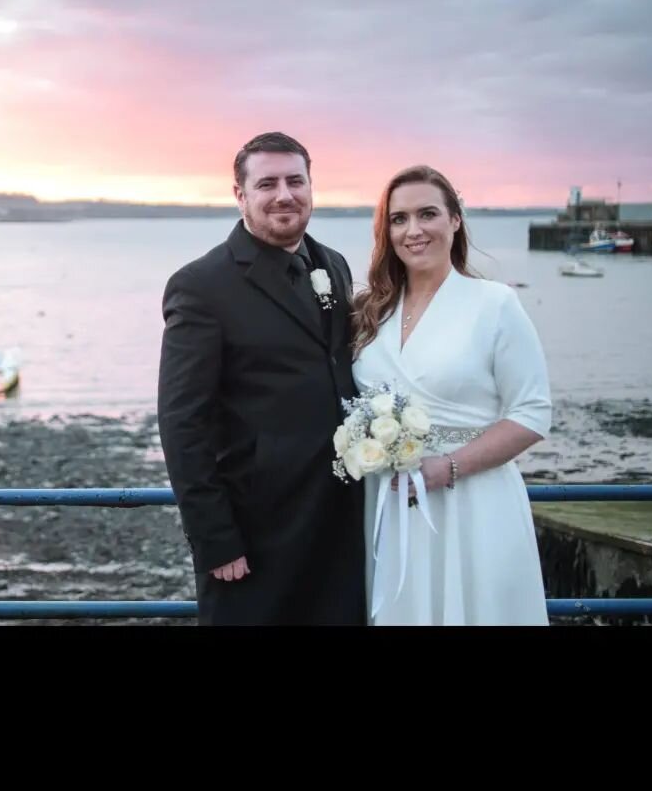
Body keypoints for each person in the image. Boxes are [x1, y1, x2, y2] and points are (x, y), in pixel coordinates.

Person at [157, 132, 365, 625]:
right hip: (254, 536)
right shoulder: (201, 285)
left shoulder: (333, 265)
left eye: (296, 180)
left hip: (340, 525)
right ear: (241, 195)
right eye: (267, 183)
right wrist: (215, 540)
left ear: (312, 186)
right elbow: (182, 423)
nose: (284, 194)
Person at [351, 164, 551, 626]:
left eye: (427, 214)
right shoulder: (370, 312)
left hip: (471, 502)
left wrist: (449, 467)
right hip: (388, 501)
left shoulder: (494, 304)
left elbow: (532, 413)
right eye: (398, 219)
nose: (413, 230)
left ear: (455, 221)